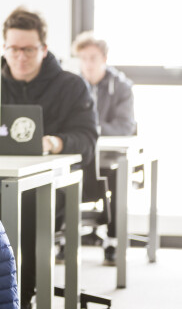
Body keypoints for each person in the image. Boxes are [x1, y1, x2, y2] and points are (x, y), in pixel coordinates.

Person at [0, 7, 99, 308]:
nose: (20, 57)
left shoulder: (71, 86)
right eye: (13, 49)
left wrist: (55, 143)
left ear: (44, 49)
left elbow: (88, 139)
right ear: (4, 47)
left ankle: (21, 295)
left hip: (52, 187)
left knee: (28, 206)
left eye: (29, 49)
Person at [73, 31, 137, 265]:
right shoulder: (72, 85)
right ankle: (61, 239)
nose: (88, 64)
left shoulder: (121, 87)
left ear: (104, 59)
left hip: (110, 160)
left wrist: (89, 129)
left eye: (93, 58)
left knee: (118, 175)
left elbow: (124, 126)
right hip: (79, 158)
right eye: (83, 58)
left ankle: (113, 240)